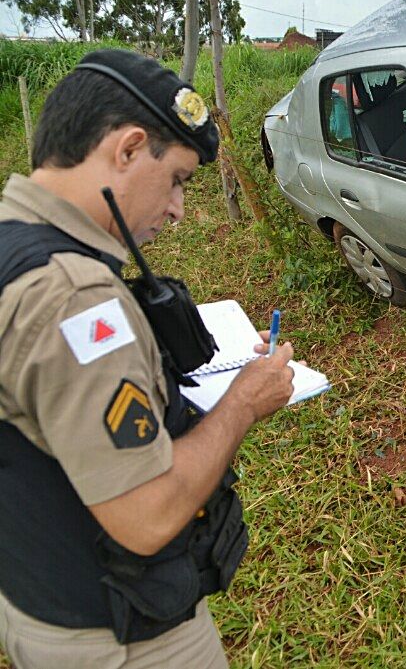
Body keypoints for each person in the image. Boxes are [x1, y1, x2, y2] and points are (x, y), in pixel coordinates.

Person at [0, 49, 296, 667]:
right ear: (129, 150)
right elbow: (149, 512)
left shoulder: (15, 242)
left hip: (42, 594)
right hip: (119, 637)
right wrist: (243, 401)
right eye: (179, 179)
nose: (179, 210)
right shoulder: (76, 300)